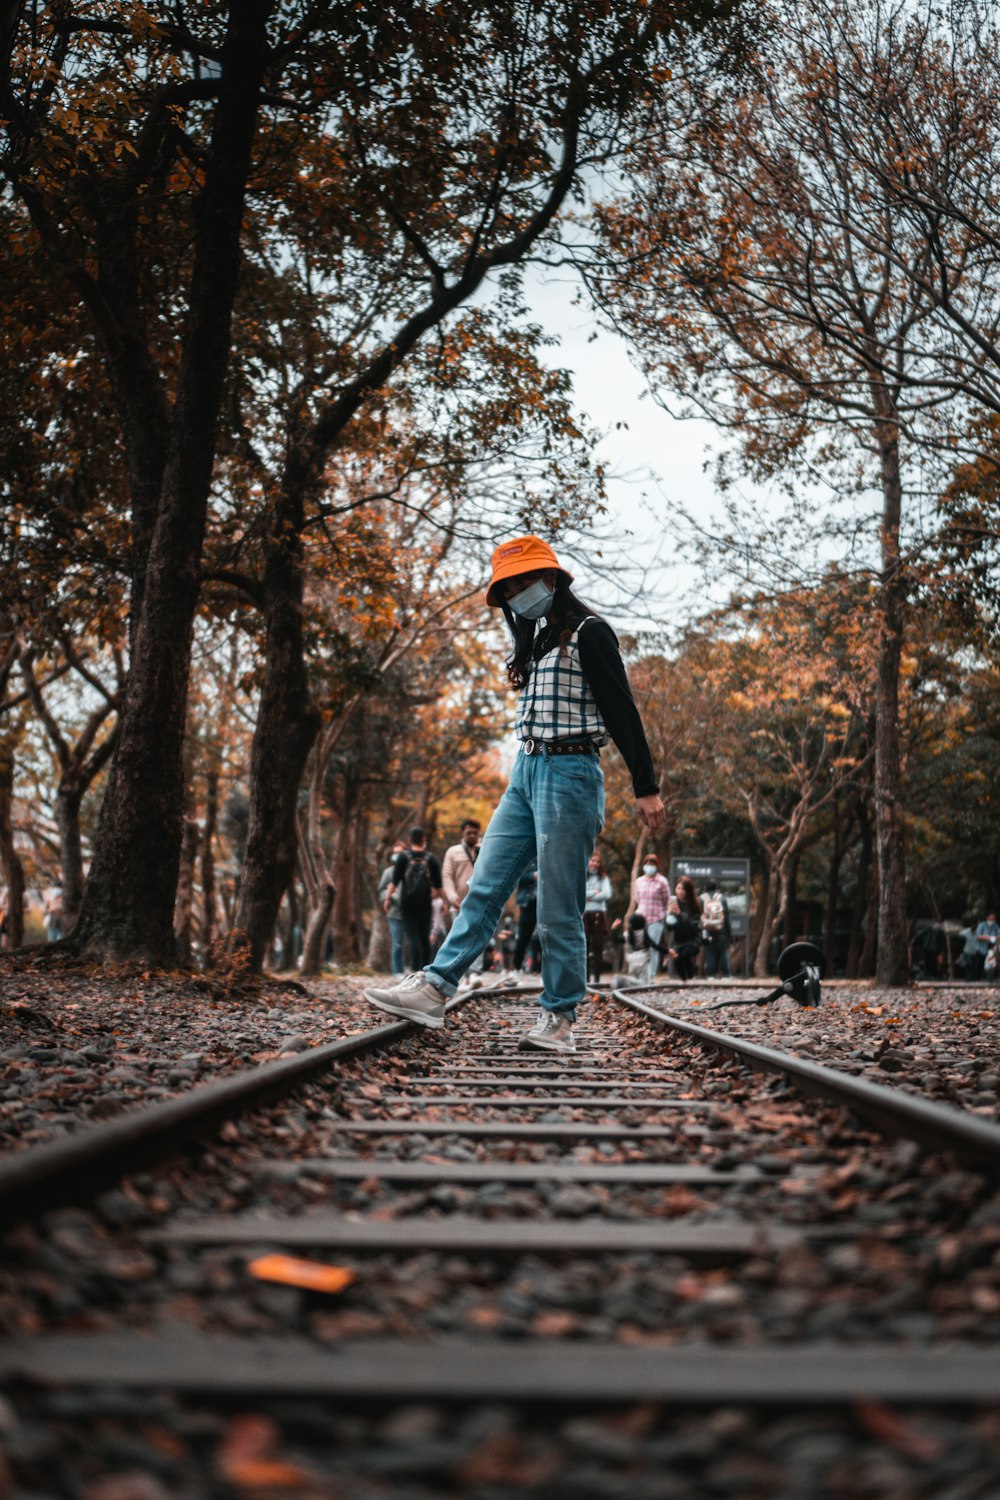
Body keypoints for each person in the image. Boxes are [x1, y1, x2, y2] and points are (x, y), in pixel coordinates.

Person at [364, 533, 665, 1053]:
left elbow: (622, 710)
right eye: (509, 587)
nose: (518, 593)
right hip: (525, 773)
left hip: (571, 774)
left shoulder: (590, 633)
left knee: (556, 906)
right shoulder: (534, 638)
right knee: (484, 887)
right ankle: (436, 987)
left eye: (525, 581)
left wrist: (646, 786)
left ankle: (560, 1019)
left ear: (551, 578)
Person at [382, 828, 444, 972]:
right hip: (425, 903)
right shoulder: (431, 858)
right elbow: (438, 884)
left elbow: (394, 881)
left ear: (410, 840)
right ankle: (425, 971)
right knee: (424, 938)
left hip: (407, 903)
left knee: (413, 938)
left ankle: (415, 971)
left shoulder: (403, 857)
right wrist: (444, 902)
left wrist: (387, 898)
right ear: (424, 839)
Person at [442, 818, 488, 984]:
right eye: (469, 832)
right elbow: (447, 875)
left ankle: (475, 973)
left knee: (478, 935)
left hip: (478, 901)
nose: (472, 835)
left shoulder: (485, 849)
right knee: (459, 937)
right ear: (462, 833)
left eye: (475, 833)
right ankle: (461, 974)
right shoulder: (453, 852)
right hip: (458, 902)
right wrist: (452, 896)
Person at [633, 852, 671, 982]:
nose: (650, 866)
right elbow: (638, 899)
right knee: (641, 948)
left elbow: (666, 899)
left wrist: (662, 912)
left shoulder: (662, 881)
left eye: (652, 864)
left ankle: (651, 975)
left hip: (656, 918)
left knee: (652, 947)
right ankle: (641, 975)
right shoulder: (639, 881)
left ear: (656, 866)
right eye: (647, 864)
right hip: (641, 918)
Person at [377, 841, 407, 974]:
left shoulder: (410, 869)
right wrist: (391, 896)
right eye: (395, 853)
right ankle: (398, 972)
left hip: (412, 912)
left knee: (415, 944)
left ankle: (416, 970)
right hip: (395, 913)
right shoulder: (388, 872)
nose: (397, 855)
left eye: (400, 853)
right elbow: (381, 890)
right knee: (397, 944)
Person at [584, 851, 612, 985]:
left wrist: (589, 897)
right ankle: (586, 977)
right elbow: (579, 893)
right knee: (584, 946)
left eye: (597, 861)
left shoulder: (603, 877)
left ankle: (597, 978)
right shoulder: (582, 875)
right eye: (592, 860)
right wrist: (593, 893)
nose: (594, 863)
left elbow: (606, 894)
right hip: (584, 913)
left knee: (598, 946)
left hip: (598, 913)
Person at [667, 874, 702, 981]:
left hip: (692, 939)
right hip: (678, 940)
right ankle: (684, 981)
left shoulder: (694, 904)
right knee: (676, 959)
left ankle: (691, 978)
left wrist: (680, 914)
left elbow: (694, 925)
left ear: (689, 891)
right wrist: (669, 916)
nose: (681, 891)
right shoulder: (673, 903)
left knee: (686, 955)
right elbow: (669, 928)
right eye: (678, 888)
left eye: (684, 889)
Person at [512, 861, 539, 976]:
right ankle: (516, 969)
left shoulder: (550, 856)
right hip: (528, 903)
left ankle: (543, 972)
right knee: (523, 938)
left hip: (546, 903)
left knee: (545, 939)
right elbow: (516, 878)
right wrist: (533, 876)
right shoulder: (527, 859)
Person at [701, 879, 731, 979]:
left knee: (709, 951)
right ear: (716, 888)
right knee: (722, 951)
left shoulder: (701, 898)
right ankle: (726, 975)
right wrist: (728, 933)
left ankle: (711, 975)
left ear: (705, 887)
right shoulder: (721, 898)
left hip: (706, 930)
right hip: (720, 930)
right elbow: (726, 917)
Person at [974, 911, 999, 981]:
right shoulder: (981, 925)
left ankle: (990, 979)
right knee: (980, 964)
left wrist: (996, 938)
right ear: (987, 918)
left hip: (991, 949)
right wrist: (988, 937)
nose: (992, 920)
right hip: (981, 949)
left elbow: (999, 935)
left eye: (993, 919)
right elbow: (978, 936)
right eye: (990, 919)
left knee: (991, 964)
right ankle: (977, 979)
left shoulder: (995, 926)